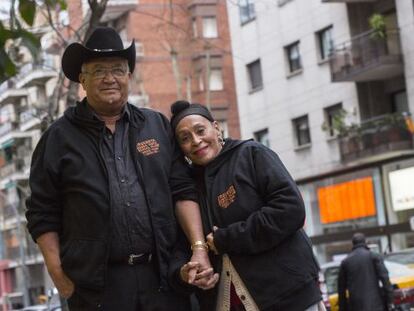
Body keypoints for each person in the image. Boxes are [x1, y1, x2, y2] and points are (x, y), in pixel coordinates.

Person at [25, 27, 212, 311]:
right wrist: (58, 275)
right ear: (83, 80)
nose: (110, 78)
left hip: (163, 279)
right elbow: (42, 212)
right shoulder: (58, 138)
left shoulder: (156, 126)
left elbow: (182, 190)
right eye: (99, 71)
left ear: (128, 76)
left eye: (118, 69)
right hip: (98, 289)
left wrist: (198, 248)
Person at [168, 100, 323, 311]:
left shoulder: (251, 154)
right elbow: (180, 245)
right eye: (185, 139)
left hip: (289, 295)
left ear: (216, 127)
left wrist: (227, 238)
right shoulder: (187, 191)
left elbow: (290, 210)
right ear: (181, 150)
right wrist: (183, 273)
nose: (196, 141)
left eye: (200, 130)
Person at [338, 233, 394, 311]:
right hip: (376, 304)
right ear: (365, 242)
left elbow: (341, 289)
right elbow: (385, 279)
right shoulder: (374, 256)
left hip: (356, 306)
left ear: (353, 243)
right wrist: (390, 301)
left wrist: (342, 308)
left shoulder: (345, 262)